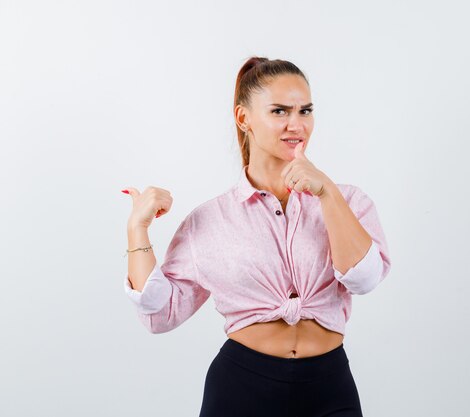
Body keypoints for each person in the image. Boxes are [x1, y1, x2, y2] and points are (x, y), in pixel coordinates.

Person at [122, 57, 392, 417]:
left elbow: (364, 278)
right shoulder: (210, 220)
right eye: (280, 111)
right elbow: (161, 314)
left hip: (329, 387)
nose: (296, 125)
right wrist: (136, 229)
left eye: (305, 111)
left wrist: (326, 192)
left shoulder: (348, 201)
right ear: (244, 118)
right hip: (242, 389)